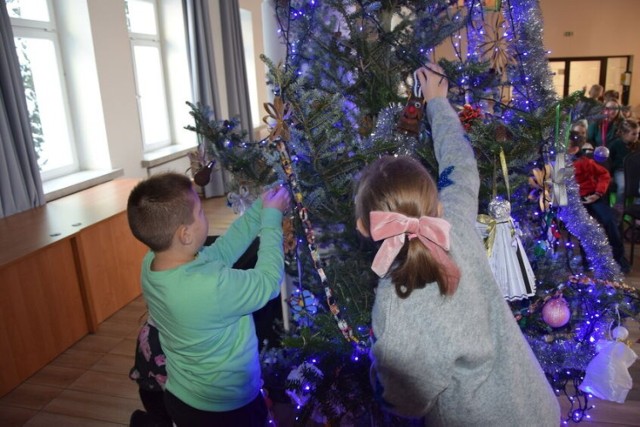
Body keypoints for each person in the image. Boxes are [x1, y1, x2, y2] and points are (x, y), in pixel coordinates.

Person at [354, 64, 561, 425]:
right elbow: (461, 165)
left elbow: (405, 399)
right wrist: (437, 103)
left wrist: (377, 374)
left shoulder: (394, 300)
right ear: (435, 203)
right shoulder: (456, 224)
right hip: (534, 405)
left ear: (364, 226)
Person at [127, 172, 290, 427]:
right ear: (185, 235)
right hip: (228, 408)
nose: (205, 215)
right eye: (200, 212)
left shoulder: (153, 263)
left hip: (182, 396)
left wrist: (260, 209)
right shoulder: (211, 287)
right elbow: (268, 281)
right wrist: (272, 220)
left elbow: (223, 252)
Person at [569, 130, 631, 274]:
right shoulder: (560, 164)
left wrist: (597, 193)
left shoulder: (585, 162)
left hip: (592, 197)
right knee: (583, 226)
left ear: (574, 149)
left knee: (609, 221)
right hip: (575, 200)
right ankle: (587, 260)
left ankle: (619, 257)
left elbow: (604, 174)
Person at [608, 119, 640, 208]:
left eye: (638, 133)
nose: (636, 136)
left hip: (636, 171)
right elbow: (609, 161)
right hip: (620, 170)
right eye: (633, 134)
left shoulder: (638, 145)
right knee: (622, 187)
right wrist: (609, 175)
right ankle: (619, 206)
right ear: (624, 133)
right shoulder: (615, 144)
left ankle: (637, 206)